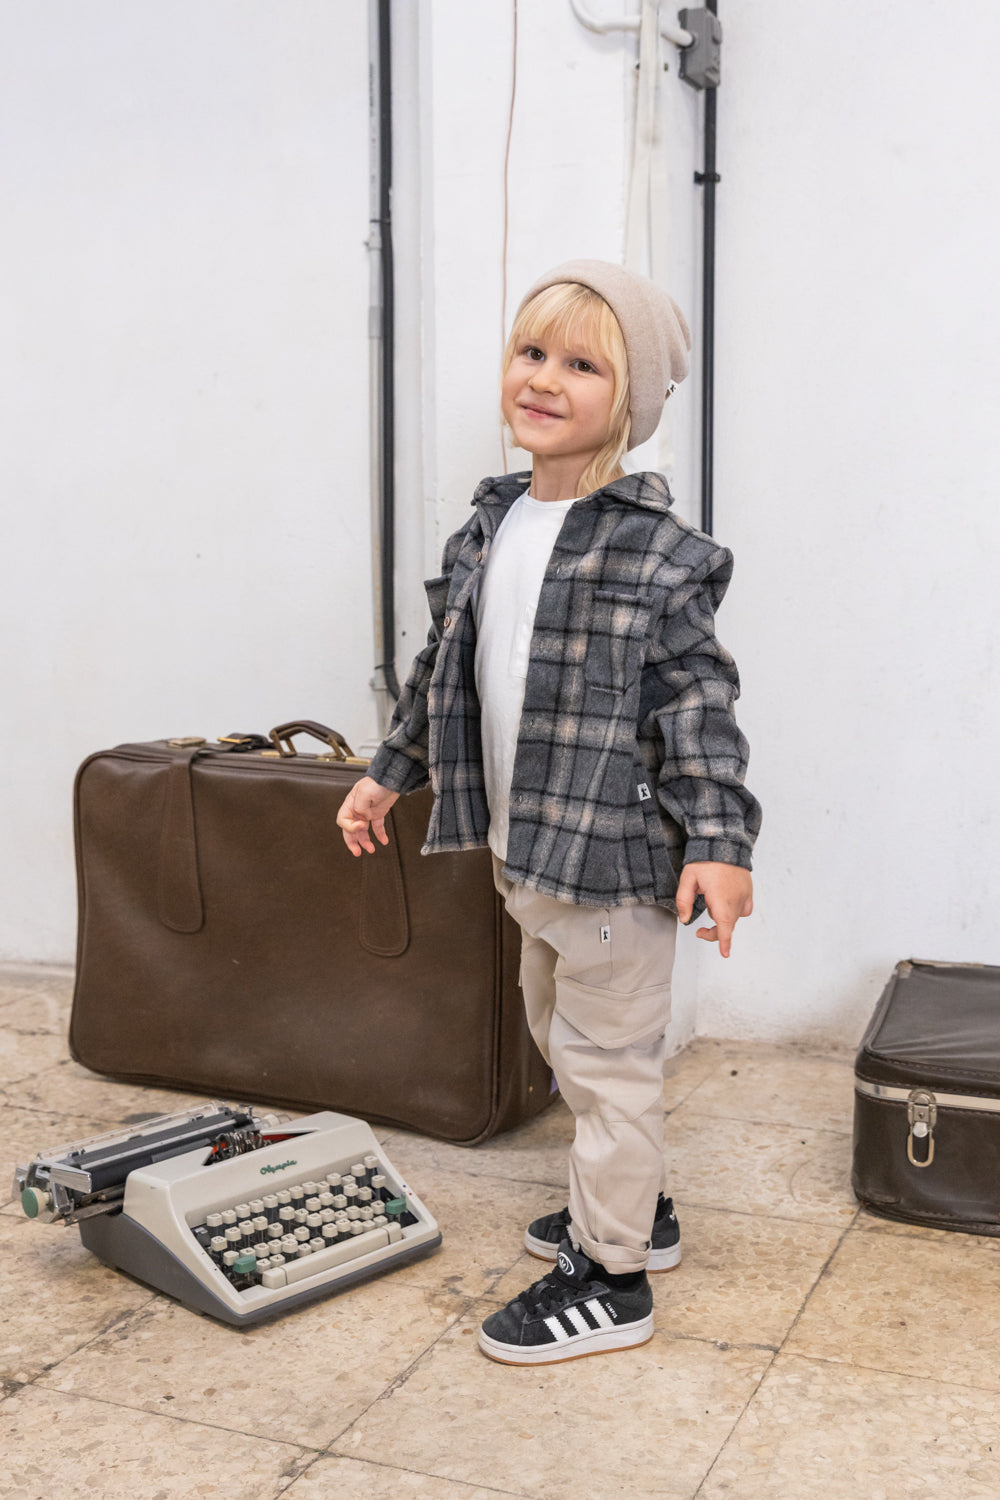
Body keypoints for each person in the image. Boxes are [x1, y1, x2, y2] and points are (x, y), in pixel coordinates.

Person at [337, 259, 761, 1366]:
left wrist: (717, 842)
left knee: (609, 1061)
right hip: (527, 852)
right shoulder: (490, 525)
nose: (544, 378)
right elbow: (444, 669)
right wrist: (390, 770)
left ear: (632, 404)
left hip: (614, 858)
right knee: (561, 1040)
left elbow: (697, 704)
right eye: (532, 353)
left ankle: (613, 1275)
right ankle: (637, 1206)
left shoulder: (659, 554)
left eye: (582, 364)